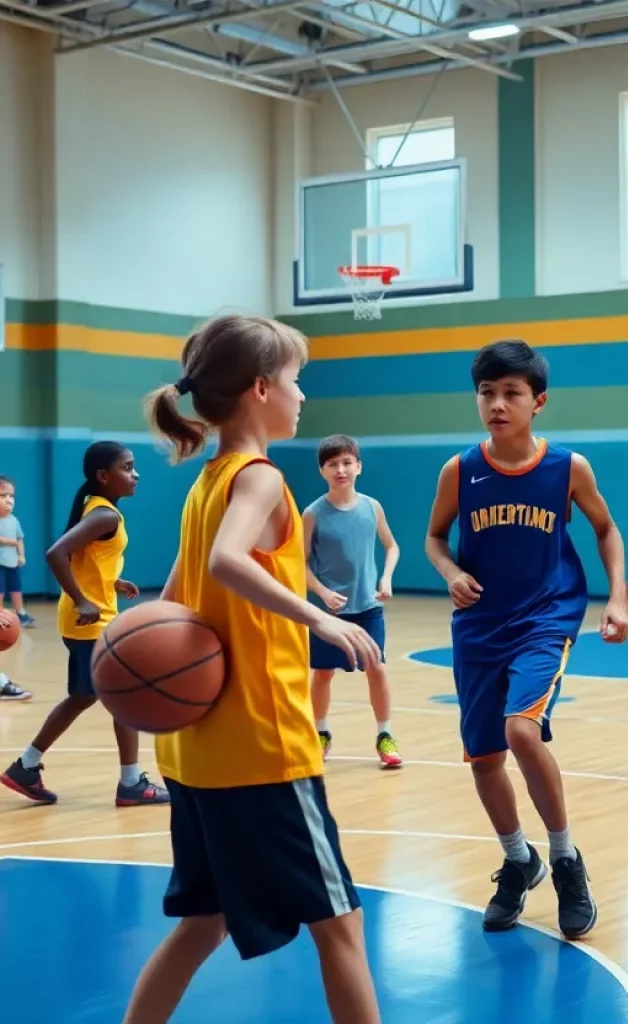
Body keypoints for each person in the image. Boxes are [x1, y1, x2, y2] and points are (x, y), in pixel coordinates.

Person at [123, 315, 381, 1024]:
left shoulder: (209, 481)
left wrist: (129, 668)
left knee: (202, 922)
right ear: (262, 389)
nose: (302, 397)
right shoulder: (261, 479)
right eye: (296, 381)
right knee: (341, 927)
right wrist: (320, 617)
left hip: (194, 750)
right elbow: (224, 564)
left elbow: (170, 606)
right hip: (263, 750)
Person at [425, 339, 628, 940]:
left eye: (511, 392)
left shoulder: (568, 467)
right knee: (485, 757)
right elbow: (435, 539)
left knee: (522, 729)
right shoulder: (460, 471)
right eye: (487, 392)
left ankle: (565, 857)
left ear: (538, 401)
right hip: (480, 626)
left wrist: (617, 596)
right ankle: (520, 859)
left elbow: (607, 527)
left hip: (546, 616)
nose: (497, 403)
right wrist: (452, 572)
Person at [0, 442, 167, 806]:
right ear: (103, 477)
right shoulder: (104, 514)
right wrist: (82, 599)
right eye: (127, 467)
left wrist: (112, 583)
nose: (135, 473)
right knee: (125, 697)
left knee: (83, 696)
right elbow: (55, 554)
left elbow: (85, 559)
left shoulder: (97, 508)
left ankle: (26, 767)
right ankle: (131, 783)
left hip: (89, 617)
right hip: (90, 621)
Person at [304, 434, 401, 767]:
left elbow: (392, 546)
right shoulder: (313, 514)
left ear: (358, 466)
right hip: (329, 614)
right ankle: (320, 733)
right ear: (323, 471)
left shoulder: (372, 507)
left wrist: (385, 578)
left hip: (368, 608)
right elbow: (299, 563)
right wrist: (322, 592)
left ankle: (385, 735)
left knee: (377, 668)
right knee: (323, 674)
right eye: (333, 464)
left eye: (347, 462)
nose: (340, 469)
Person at [0, 474, 36, 629]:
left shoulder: (14, 520)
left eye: (11, 495)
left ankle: (20, 612)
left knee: (16, 588)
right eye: (3, 496)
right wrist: (10, 542)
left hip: (12, 561)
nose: (9, 500)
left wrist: (21, 555)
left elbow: (20, 538)